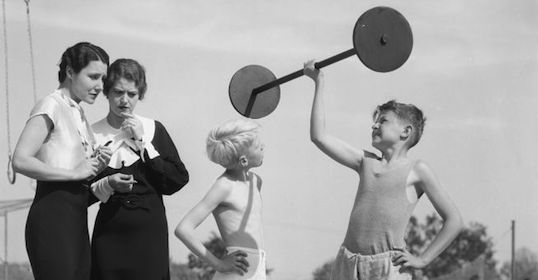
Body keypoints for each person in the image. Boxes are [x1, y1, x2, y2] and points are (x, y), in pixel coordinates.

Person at [304, 60, 463, 280]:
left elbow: (454, 220)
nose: (374, 125)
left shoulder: (417, 170)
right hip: (348, 263)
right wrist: (319, 81)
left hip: (388, 267)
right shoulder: (365, 162)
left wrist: (423, 259)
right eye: (375, 121)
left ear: (405, 132)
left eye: (383, 121)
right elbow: (319, 136)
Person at [12, 42, 112, 280]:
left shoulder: (78, 113)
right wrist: (74, 174)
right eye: (93, 77)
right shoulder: (51, 104)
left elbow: (75, 167)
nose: (100, 86)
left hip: (76, 218)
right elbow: (20, 160)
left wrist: (98, 165)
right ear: (69, 72)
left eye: (103, 79)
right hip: (52, 216)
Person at [88, 58, 189, 280]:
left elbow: (176, 181)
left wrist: (143, 142)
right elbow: (80, 195)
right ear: (106, 92)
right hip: (109, 236)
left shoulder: (154, 129)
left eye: (132, 94)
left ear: (140, 94)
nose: (124, 100)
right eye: (118, 92)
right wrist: (107, 183)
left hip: (149, 238)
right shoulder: (92, 134)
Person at [175, 119, 266, 280]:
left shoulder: (256, 181)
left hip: (258, 269)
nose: (264, 147)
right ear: (244, 160)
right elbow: (183, 229)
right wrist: (219, 264)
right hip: (236, 272)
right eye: (259, 147)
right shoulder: (223, 186)